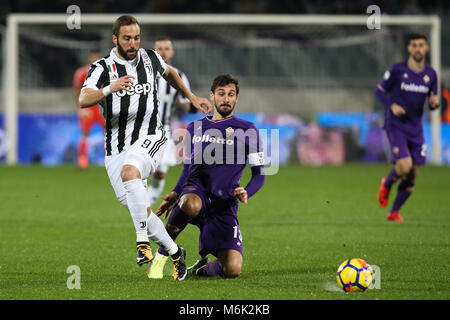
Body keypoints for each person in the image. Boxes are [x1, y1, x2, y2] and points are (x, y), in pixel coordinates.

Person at [78, 15, 212, 280]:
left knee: (131, 173)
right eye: (127, 38)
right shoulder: (102, 68)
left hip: (152, 135)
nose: (133, 43)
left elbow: (171, 74)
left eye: (136, 38)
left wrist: (192, 96)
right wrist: (110, 88)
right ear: (115, 39)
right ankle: (175, 252)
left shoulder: (150, 58)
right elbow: (84, 99)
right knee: (141, 209)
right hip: (116, 146)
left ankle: (142, 244)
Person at [148, 74, 265, 279]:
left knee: (232, 269)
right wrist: (176, 193)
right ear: (212, 96)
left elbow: (259, 175)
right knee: (190, 203)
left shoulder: (248, 130)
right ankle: (162, 255)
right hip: (196, 192)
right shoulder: (195, 128)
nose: (226, 99)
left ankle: (200, 270)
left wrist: (247, 191)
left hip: (224, 203)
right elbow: (187, 169)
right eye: (221, 94)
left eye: (231, 95)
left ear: (237, 98)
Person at [375, 33, 439, 222]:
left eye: (421, 45)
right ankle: (387, 183)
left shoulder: (431, 74)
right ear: (409, 49)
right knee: (404, 165)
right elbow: (379, 91)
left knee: (412, 174)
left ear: (426, 48)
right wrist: (391, 105)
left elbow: (433, 100)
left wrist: (434, 103)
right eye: (414, 45)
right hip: (396, 125)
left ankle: (393, 212)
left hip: (416, 127)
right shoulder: (397, 70)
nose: (418, 48)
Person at [147, 37, 192, 207]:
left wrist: (182, 105)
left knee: (160, 173)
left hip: (164, 129)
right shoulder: (145, 73)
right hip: (141, 128)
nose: (163, 51)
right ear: (154, 51)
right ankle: (141, 205)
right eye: (160, 48)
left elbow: (186, 102)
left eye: (167, 48)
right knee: (141, 170)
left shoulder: (179, 76)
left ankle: (146, 205)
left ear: (172, 52)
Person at [72, 52, 104, 170]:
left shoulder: (106, 72)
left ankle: (111, 160)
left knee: (109, 133)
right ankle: (83, 161)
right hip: (88, 107)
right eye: (93, 60)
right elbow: (76, 90)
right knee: (85, 133)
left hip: (101, 107)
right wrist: (80, 107)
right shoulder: (81, 73)